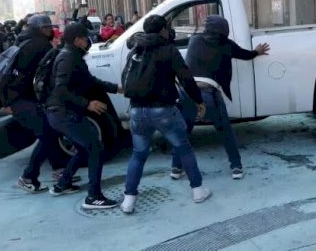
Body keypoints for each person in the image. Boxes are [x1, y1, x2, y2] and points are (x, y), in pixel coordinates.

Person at [121, 15, 211, 214]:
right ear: (163, 30)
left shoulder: (136, 50)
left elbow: (126, 78)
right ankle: (198, 190)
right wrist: (198, 101)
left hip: (136, 110)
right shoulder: (169, 50)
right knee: (183, 148)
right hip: (163, 109)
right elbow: (186, 79)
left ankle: (128, 199)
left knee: (138, 155)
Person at [173, 15, 269, 181]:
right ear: (224, 30)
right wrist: (257, 52)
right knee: (225, 131)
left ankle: (175, 168)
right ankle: (236, 167)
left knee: (183, 131)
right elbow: (245, 55)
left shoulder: (195, 40)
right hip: (208, 92)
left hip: (187, 91)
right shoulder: (226, 44)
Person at [46, 22, 122, 209]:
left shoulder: (74, 56)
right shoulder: (68, 58)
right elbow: (61, 89)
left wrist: (117, 88)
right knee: (95, 148)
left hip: (62, 113)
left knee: (83, 148)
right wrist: (87, 104)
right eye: (84, 38)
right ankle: (93, 197)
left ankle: (62, 185)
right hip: (63, 113)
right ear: (78, 40)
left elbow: (90, 81)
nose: (88, 41)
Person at [5, 15, 73, 192]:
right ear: (42, 28)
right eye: (49, 27)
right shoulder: (40, 45)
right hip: (23, 100)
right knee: (47, 135)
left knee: (49, 132)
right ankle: (28, 177)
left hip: (19, 98)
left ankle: (59, 170)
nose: (51, 30)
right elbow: (48, 72)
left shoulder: (24, 41)